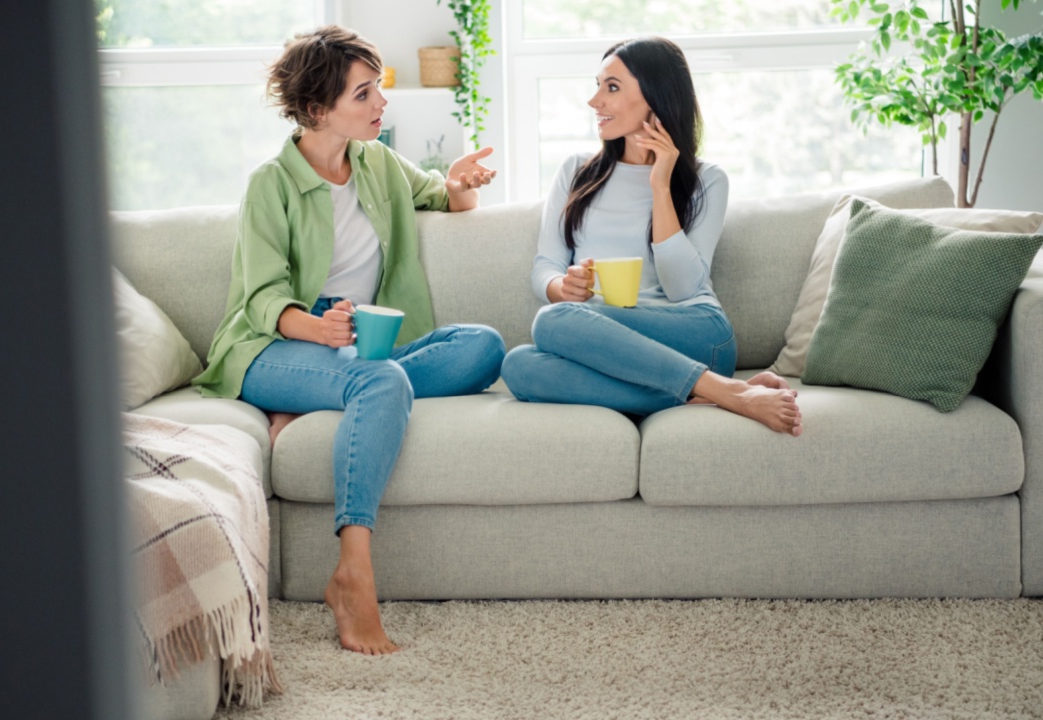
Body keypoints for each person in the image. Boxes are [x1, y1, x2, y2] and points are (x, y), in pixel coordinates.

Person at [192, 25, 506, 655]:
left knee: (484, 346)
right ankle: (353, 572)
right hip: (271, 349)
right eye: (364, 94)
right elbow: (260, 299)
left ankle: (337, 397)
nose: (380, 103)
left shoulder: (378, 162)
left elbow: (443, 199)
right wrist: (318, 327)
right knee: (382, 378)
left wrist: (462, 181)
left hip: (355, 352)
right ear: (317, 109)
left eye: (378, 89)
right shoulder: (270, 185)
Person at [500, 37, 802, 436]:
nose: (595, 101)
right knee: (519, 366)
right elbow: (546, 267)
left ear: (655, 97)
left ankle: (715, 385)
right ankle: (726, 393)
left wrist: (661, 186)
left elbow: (682, 288)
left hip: (696, 334)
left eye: (611, 87)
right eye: (597, 85)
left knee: (551, 323)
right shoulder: (576, 171)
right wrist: (562, 288)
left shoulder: (707, 181)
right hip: (609, 337)